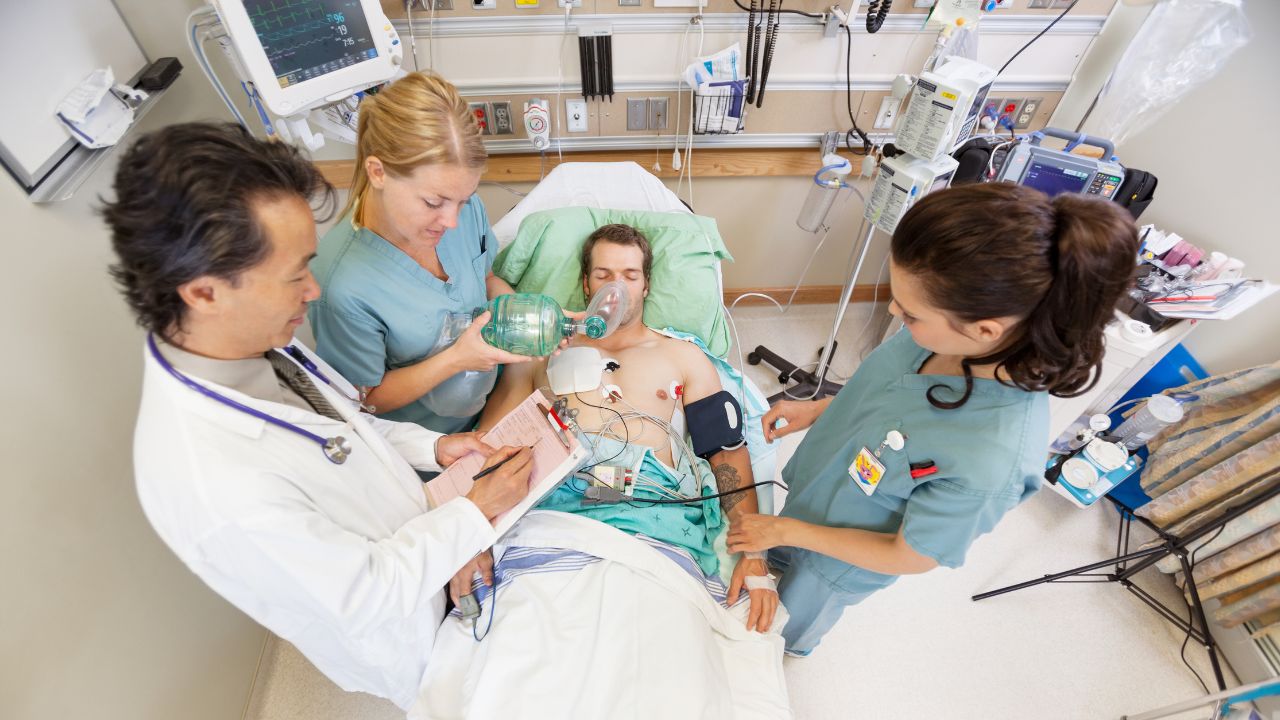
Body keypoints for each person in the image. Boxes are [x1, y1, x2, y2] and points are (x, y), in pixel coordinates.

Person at [103, 122, 535, 711]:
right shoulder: (211, 483)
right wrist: (473, 513)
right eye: (293, 275)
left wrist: (432, 449)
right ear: (204, 293)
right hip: (403, 629)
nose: (313, 291)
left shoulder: (256, 342)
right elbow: (366, 593)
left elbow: (350, 424)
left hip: (427, 538)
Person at [726, 183, 1139, 656]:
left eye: (910, 312)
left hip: (838, 565)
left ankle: (790, 649)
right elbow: (883, 392)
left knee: (784, 627)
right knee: (776, 556)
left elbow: (909, 555)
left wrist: (786, 531)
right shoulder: (932, 338)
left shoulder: (990, 459)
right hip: (816, 495)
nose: (892, 312)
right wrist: (821, 409)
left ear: (986, 330)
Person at [473, 224, 781, 633]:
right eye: (603, 275)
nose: (616, 287)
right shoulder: (539, 356)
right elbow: (487, 446)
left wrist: (754, 555)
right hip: (560, 514)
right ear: (586, 284)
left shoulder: (684, 357)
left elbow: (725, 453)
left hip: (649, 518)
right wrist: (470, 532)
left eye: (630, 276)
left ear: (647, 285)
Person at [308, 72, 529, 435]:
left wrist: (523, 315)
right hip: (429, 447)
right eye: (433, 202)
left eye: (463, 200)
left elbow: (486, 278)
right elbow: (363, 397)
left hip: (492, 407)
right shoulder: (341, 284)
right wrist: (458, 359)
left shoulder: (460, 212)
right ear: (378, 172)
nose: (452, 221)